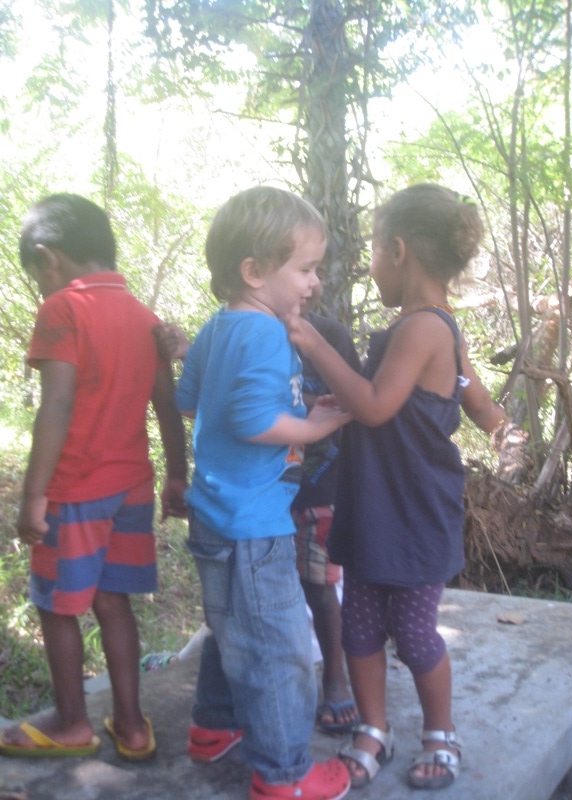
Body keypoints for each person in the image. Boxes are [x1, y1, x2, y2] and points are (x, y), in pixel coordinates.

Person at [286, 183, 507, 791]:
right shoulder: (426, 327)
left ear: (400, 251)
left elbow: (377, 405)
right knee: (359, 628)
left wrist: (315, 344)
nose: (371, 266)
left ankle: (440, 733)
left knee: (411, 631)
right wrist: (497, 424)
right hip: (375, 504)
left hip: (413, 510)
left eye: (375, 252)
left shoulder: (424, 328)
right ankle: (373, 729)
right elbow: (459, 395)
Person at [170, 186, 351, 800]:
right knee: (277, 649)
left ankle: (213, 727)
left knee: (230, 630)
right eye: (305, 269)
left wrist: (301, 406)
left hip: (214, 516)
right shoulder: (270, 333)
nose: (314, 283)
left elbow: (193, 402)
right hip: (254, 524)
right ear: (254, 271)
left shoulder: (217, 328)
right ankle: (285, 774)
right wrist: (317, 427)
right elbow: (252, 421)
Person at [0, 194, 188, 762]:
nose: (40, 287)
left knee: (57, 605)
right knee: (113, 601)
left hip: (75, 491)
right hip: (132, 487)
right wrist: (177, 476)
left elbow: (56, 405)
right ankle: (131, 726)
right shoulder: (144, 317)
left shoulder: (63, 309)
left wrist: (33, 496)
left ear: (48, 257)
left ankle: (71, 723)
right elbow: (166, 405)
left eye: (37, 275)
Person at [291, 286, 361, 734]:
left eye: (313, 271)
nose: (310, 284)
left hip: (323, 488)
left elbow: (359, 403)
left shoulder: (332, 337)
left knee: (320, 586)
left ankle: (335, 678)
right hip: (263, 491)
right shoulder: (248, 335)